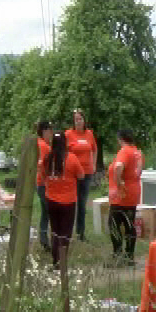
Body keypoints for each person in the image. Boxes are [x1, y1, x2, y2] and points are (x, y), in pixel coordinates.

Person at [44, 132, 84, 270]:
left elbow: (43, 175)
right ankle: (62, 261)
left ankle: (55, 261)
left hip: (51, 200)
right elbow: (81, 175)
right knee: (65, 232)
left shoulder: (47, 159)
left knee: (55, 231)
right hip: (68, 202)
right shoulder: (71, 158)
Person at [107, 129, 144, 266]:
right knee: (129, 225)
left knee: (114, 225)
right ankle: (129, 256)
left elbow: (118, 167)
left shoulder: (125, 151)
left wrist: (119, 183)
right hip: (133, 193)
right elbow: (138, 172)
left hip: (121, 196)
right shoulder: (137, 153)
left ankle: (118, 255)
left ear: (120, 139)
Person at [65, 108, 97, 241]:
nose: (78, 121)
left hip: (87, 173)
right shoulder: (68, 134)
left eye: (80, 119)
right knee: (71, 202)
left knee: (82, 204)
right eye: (76, 119)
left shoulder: (89, 134)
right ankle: (67, 232)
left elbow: (94, 150)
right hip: (73, 174)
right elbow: (63, 152)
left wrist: (94, 164)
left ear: (84, 120)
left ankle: (81, 233)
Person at [36, 120, 53, 251]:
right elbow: (41, 164)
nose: (51, 133)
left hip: (41, 183)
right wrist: (46, 181)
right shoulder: (44, 146)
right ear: (44, 131)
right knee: (50, 212)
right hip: (44, 184)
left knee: (45, 213)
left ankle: (44, 239)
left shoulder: (41, 144)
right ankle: (49, 240)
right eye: (49, 131)